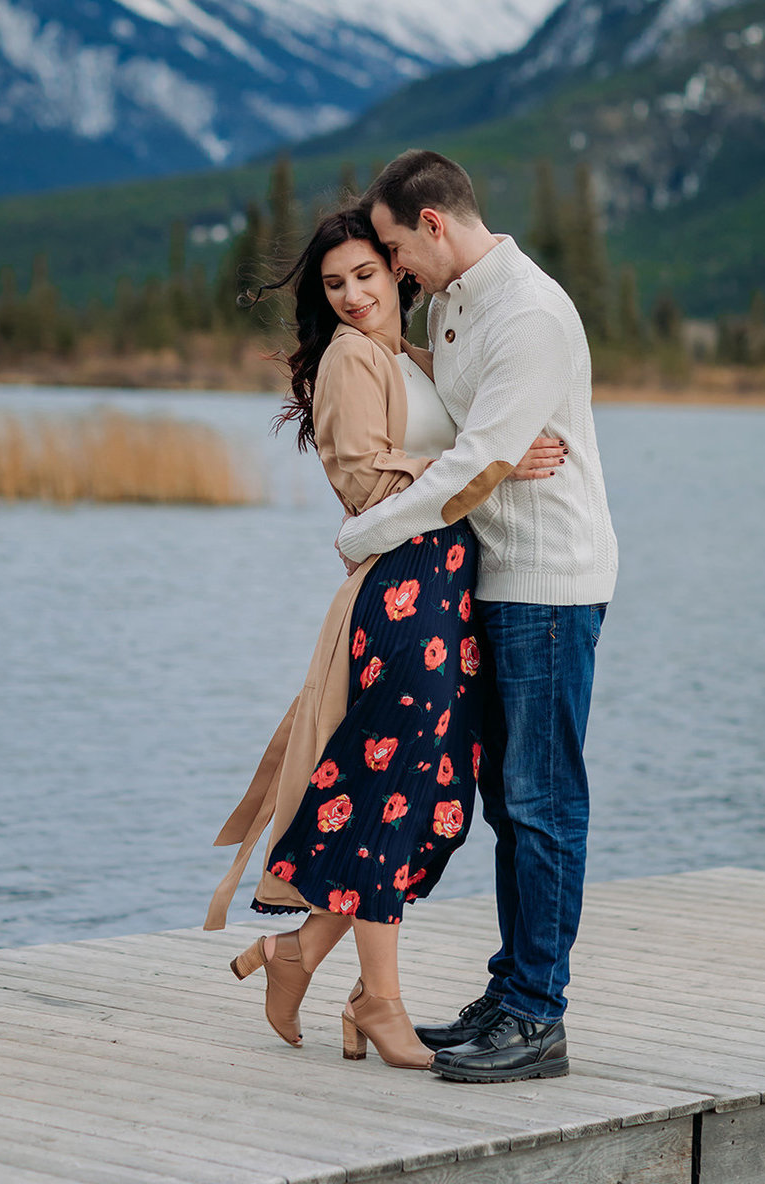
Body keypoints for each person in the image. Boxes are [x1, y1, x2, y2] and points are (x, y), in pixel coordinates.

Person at [205, 207, 562, 1070]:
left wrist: (492, 446)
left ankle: (294, 955)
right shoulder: (348, 358)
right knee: (391, 790)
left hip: (450, 590)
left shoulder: (408, 356)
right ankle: (379, 1001)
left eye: (366, 274)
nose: (354, 295)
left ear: (398, 272)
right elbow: (364, 485)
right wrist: (493, 461)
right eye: (335, 285)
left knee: (437, 800)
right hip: (403, 592)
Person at [334, 150, 618, 1085]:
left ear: (434, 225)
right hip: (496, 582)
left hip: (548, 582)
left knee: (542, 802)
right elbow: (470, 434)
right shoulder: (451, 300)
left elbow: (473, 465)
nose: (391, 269)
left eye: (391, 250)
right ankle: (512, 992)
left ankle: (539, 1016)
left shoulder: (530, 313)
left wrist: (365, 531)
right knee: (508, 801)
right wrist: (483, 446)